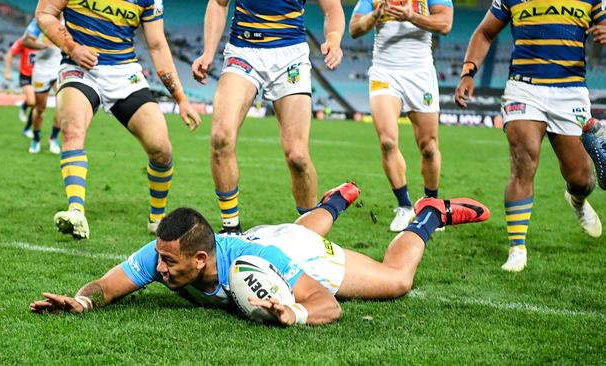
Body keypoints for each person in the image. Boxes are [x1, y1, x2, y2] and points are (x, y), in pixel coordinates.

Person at [29, 182, 491, 326]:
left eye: (170, 264)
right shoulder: (168, 250)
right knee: (293, 229)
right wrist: (82, 299)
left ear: (201, 262)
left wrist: (296, 313)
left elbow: (327, 305)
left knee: (395, 282)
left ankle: (428, 216)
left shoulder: (262, 264)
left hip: (299, 255)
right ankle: (334, 201)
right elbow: (108, 286)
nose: (160, 269)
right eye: (160, 260)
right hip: (268, 236)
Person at [454, 0, 604, 272]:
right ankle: (517, 247)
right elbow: (485, 32)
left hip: (570, 92)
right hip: (524, 88)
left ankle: (577, 199)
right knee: (524, 160)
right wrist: (468, 72)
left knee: (581, 178)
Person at [35, 0, 201, 239]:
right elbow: (45, 14)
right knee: (72, 128)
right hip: (79, 68)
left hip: (124, 73)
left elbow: (156, 45)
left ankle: (157, 219)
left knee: (161, 148)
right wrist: (72, 47)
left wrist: (181, 98)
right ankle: (76, 210)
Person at [192, 0, 345, 233]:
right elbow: (218, 3)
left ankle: (309, 234)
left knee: (298, 156)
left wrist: (333, 39)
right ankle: (231, 228)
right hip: (243, 50)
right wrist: (208, 52)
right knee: (221, 137)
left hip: (290, 56)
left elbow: (332, 9)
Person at [349, 0, 453, 232]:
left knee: (428, 146)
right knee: (387, 141)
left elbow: (445, 24)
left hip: (420, 73)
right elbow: (354, 29)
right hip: (385, 71)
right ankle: (405, 206)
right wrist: (375, 15)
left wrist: (411, 16)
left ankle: (430, 204)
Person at [22, 18, 62, 154]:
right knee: (40, 109)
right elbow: (26, 41)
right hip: (41, 70)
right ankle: (36, 138)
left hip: (60, 68)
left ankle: (54, 138)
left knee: (63, 106)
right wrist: (43, 46)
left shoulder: (70, 18)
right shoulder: (41, 20)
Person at [4, 35, 37, 138]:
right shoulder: (24, 40)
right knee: (32, 102)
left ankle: (27, 129)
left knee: (37, 104)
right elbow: (10, 53)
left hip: (40, 76)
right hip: (26, 75)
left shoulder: (47, 39)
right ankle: (24, 106)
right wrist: (7, 72)